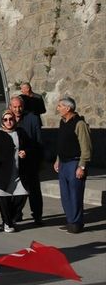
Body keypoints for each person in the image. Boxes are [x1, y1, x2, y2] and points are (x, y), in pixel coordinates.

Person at [0, 109, 30, 233]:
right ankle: (7, 223)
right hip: (2, 173)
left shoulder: (20, 132)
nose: (8, 122)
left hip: (19, 172)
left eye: (11, 119)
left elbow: (30, 146)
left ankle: (10, 218)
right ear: (2, 121)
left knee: (22, 195)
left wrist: (25, 152)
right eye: (5, 120)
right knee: (3, 198)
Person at [53, 96, 91, 233]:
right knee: (65, 195)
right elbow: (62, 143)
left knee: (75, 195)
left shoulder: (79, 124)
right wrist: (58, 159)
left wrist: (82, 166)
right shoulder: (62, 122)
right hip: (63, 163)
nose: (58, 108)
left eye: (60, 106)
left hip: (75, 163)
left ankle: (76, 223)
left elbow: (86, 147)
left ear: (68, 108)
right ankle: (70, 221)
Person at [9, 95, 43, 225]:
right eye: (15, 107)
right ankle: (16, 214)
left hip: (30, 161)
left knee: (34, 191)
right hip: (14, 162)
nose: (17, 109)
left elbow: (38, 141)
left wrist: (38, 160)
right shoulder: (7, 119)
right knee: (17, 190)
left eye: (20, 107)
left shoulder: (32, 119)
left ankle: (37, 216)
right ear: (10, 107)